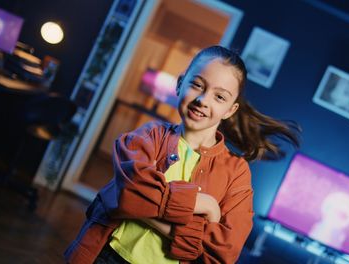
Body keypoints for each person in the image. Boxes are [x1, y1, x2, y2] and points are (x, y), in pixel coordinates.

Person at [65, 45, 300, 264]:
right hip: (106, 256)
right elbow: (130, 194)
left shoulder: (236, 173)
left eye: (219, 97)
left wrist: (144, 210)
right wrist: (203, 205)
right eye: (197, 85)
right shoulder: (149, 136)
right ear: (180, 84)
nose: (202, 100)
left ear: (230, 110)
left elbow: (224, 250)